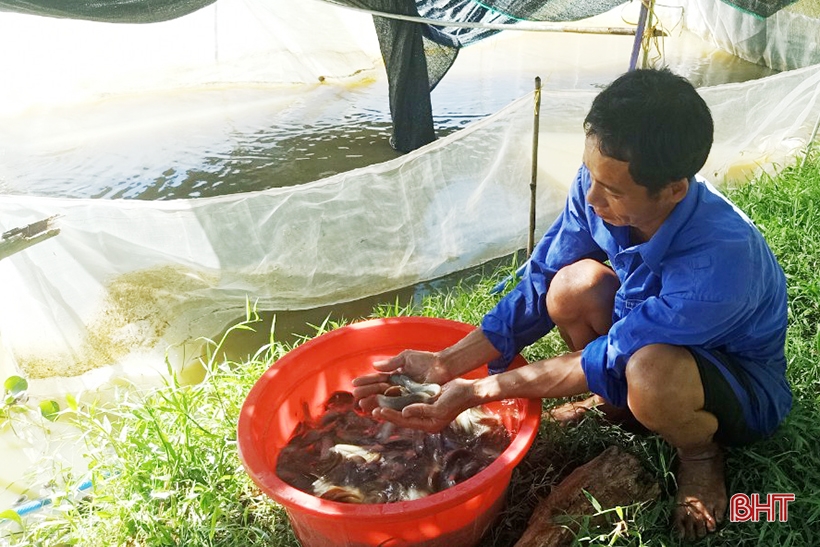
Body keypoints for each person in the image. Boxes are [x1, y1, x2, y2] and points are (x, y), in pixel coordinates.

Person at [352, 67, 791, 540]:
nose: (591, 196)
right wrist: (446, 363)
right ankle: (612, 400)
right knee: (569, 286)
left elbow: (615, 353)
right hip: (643, 337)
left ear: (673, 190)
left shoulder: (720, 264)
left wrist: (477, 391)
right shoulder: (598, 189)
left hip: (736, 381)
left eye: (613, 190)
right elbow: (541, 282)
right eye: (590, 174)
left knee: (650, 373)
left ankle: (699, 453)